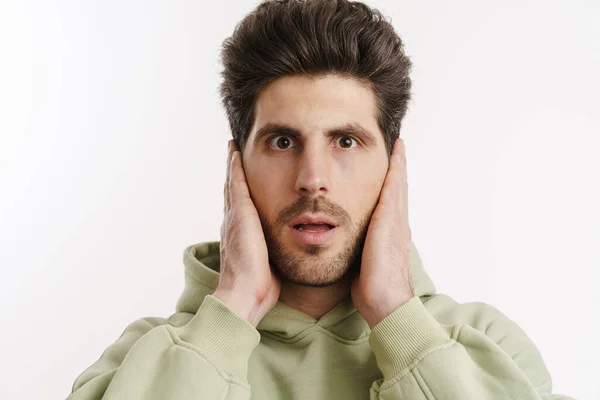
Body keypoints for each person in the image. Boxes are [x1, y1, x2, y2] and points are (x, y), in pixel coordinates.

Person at [67, 0, 575, 399]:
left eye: (346, 141)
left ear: (393, 167)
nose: (313, 179)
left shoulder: (484, 346)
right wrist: (233, 310)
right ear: (236, 167)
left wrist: (398, 318)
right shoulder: (144, 361)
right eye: (282, 142)